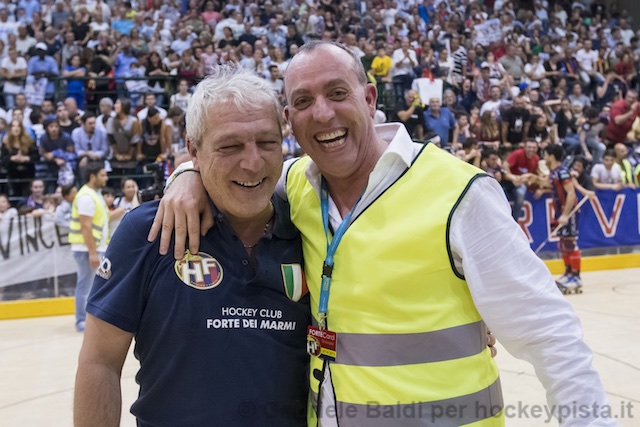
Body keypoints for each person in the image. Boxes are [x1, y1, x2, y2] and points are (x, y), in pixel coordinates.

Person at [152, 41, 619, 427]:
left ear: (370, 99)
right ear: (289, 120)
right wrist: (187, 174)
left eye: (337, 93)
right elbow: (234, 170)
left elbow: (550, 335)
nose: (323, 113)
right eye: (303, 102)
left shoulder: (461, 194)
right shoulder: (294, 185)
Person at [74, 65, 310, 427]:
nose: (252, 162)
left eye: (267, 142)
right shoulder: (147, 232)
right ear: (193, 150)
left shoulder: (310, 228)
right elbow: (100, 362)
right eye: (229, 146)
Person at [68, 162, 111, 332]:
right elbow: (85, 226)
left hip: (94, 248)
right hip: (87, 249)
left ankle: (86, 319)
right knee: (85, 286)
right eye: (102, 175)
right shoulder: (86, 197)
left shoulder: (94, 195)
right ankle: (81, 320)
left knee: (89, 285)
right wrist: (92, 253)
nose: (106, 178)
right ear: (92, 176)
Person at [542, 144, 582, 292]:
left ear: (552, 156)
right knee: (563, 244)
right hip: (559, 212)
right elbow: (548, 185)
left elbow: (571, 193)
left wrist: (565, 214)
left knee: (570, 243)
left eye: (545, 154)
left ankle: (576, 277)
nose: (544, 157)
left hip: (569, 212)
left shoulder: (563, 172)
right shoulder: (554, 173)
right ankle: (568, 272)